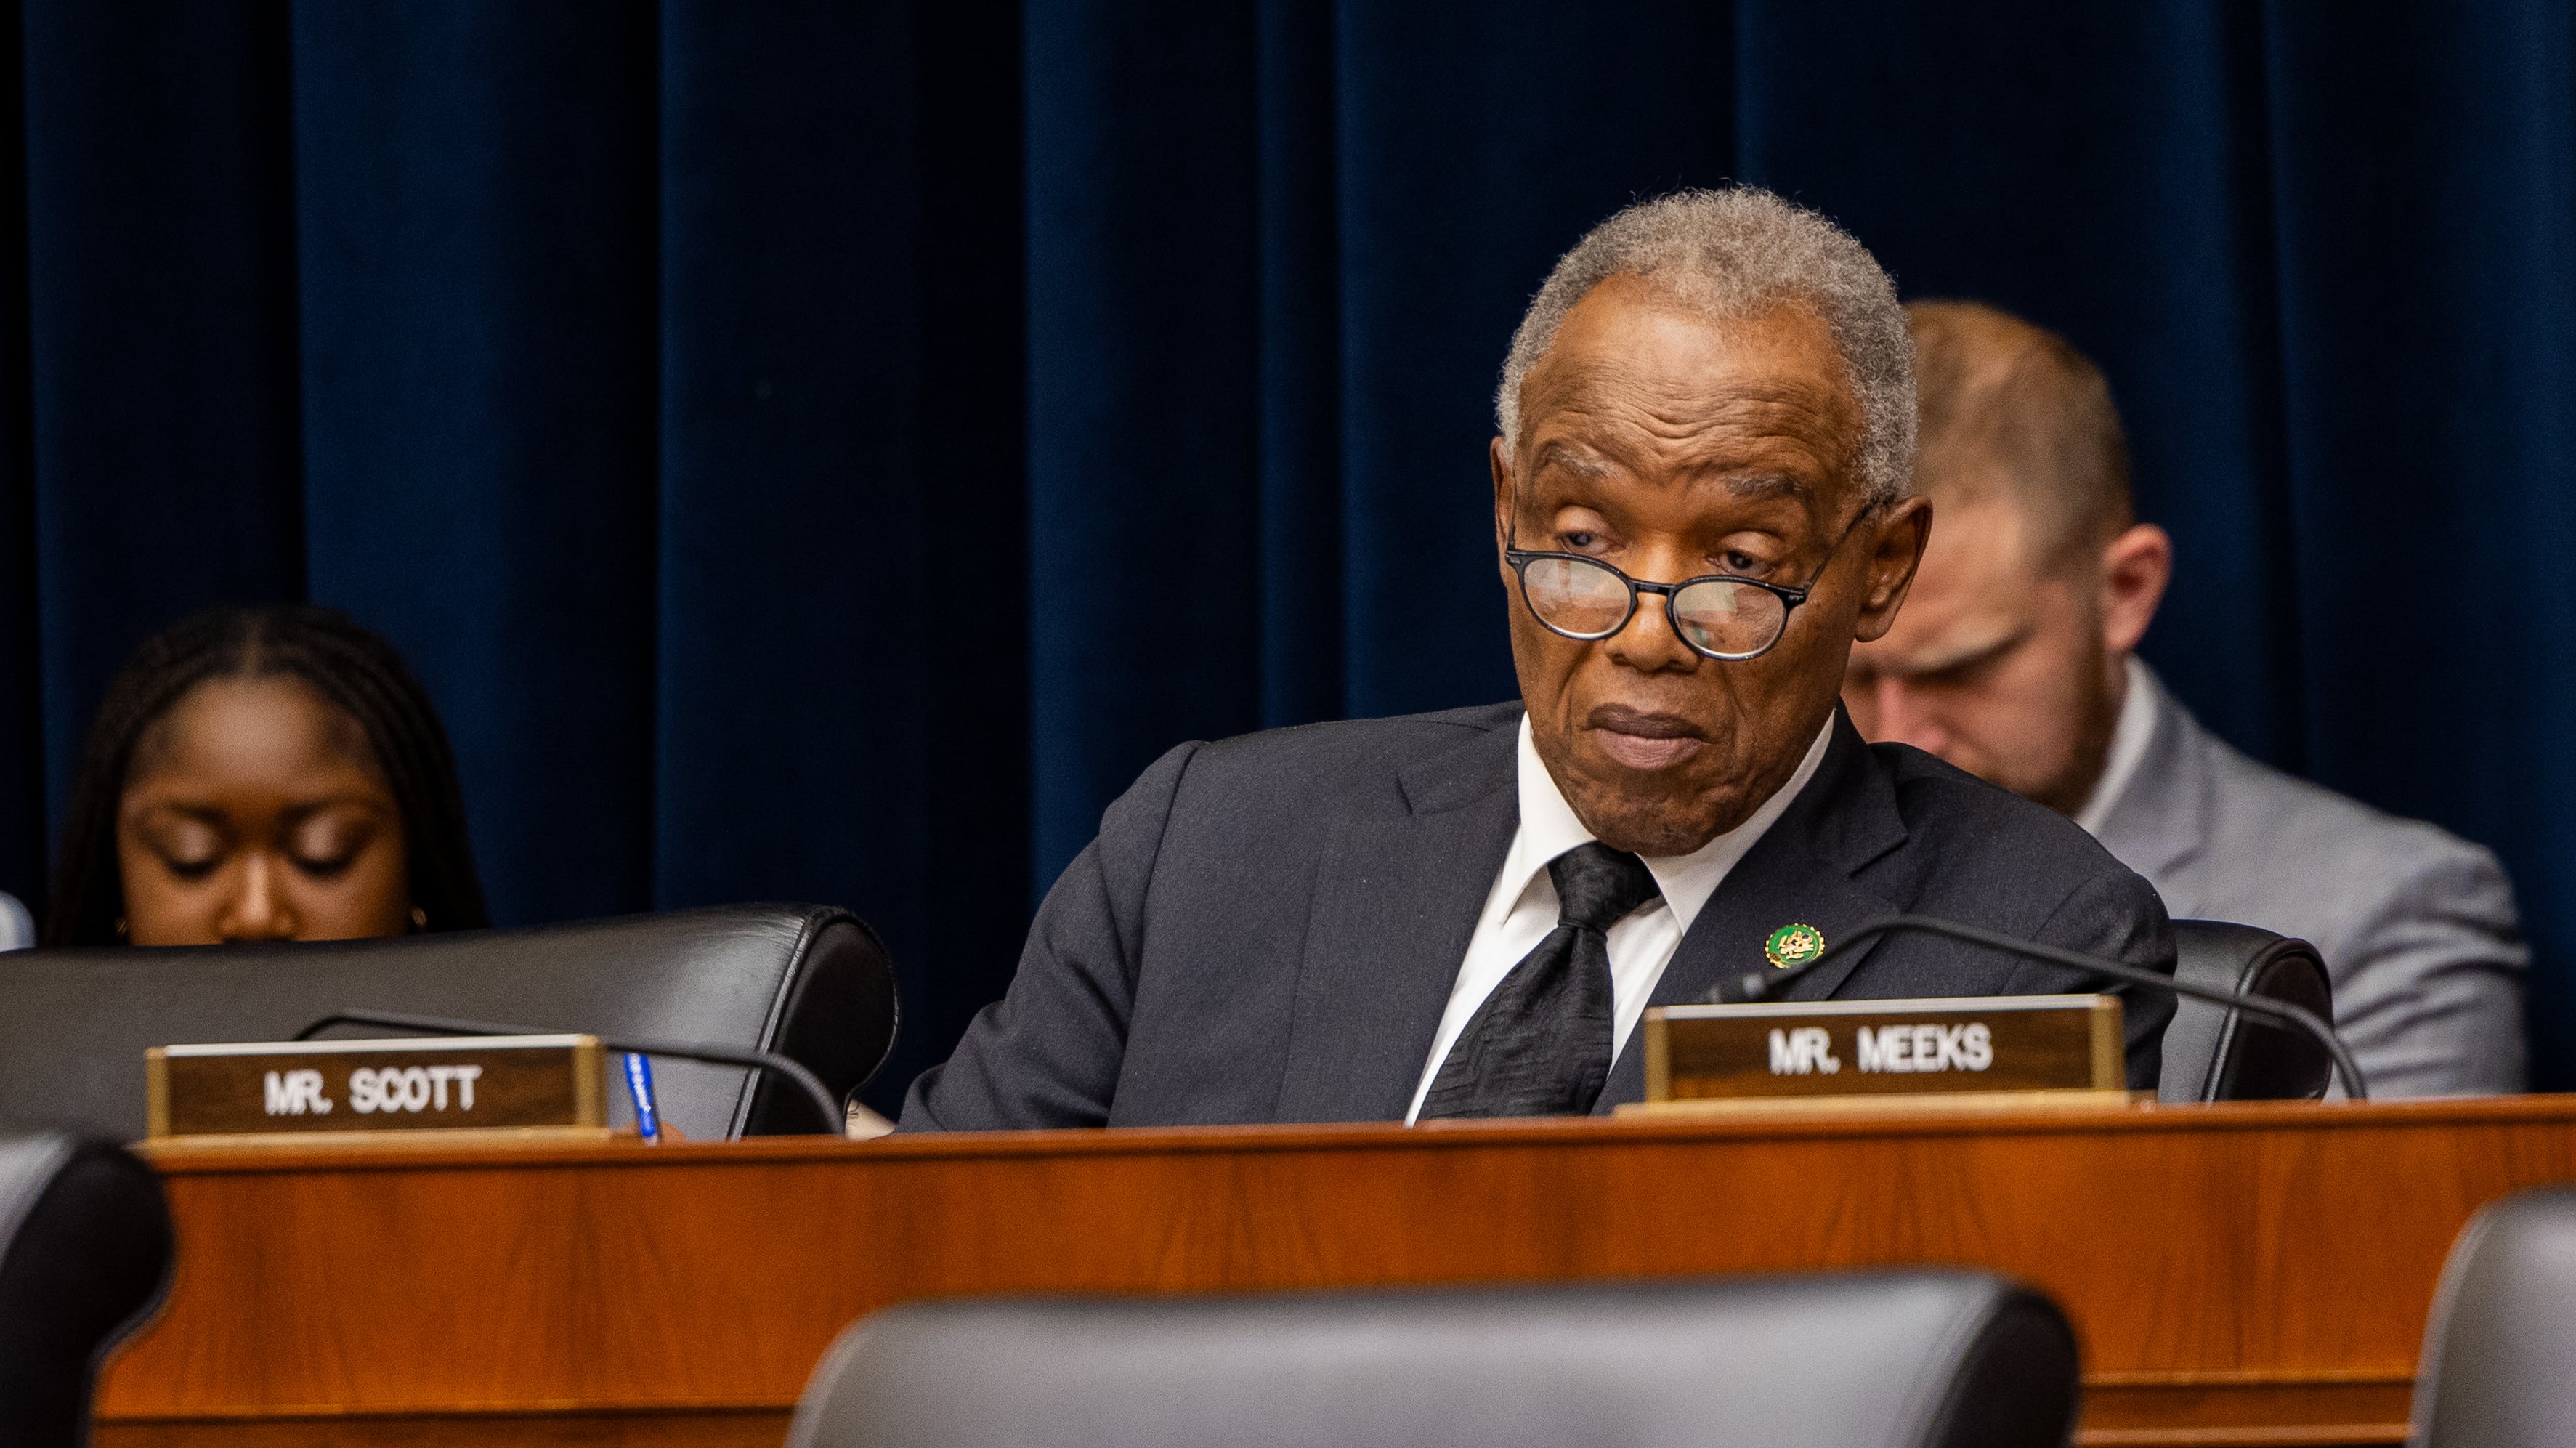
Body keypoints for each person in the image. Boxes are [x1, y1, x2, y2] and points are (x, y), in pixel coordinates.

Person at [901, 190, 2174, 1131]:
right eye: (1581, 540)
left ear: (1881, 568)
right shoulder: (1212, 848)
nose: (1641, 632)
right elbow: (923, 1261)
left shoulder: (2027, 938)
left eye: (1739, 559)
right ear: (1504, 509)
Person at [1842, 300, 2527, 1098]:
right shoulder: (1735, 886)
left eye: (1961, 670)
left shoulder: (2379, 924)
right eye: (1853, 679)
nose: (1899, 734)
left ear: (2126, 592)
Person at [46, 604, 490, 947]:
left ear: (418, 866)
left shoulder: (530, 1066)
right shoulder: (26, 1066)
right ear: (114, 881)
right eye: (192, 856)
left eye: (323, 851)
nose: (256, 916)